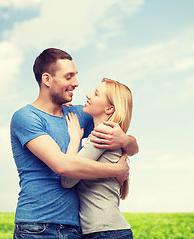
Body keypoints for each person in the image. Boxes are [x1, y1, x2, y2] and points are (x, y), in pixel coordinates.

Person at [10, 48, 138, 239]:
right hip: (37, 226)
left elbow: (122, 136)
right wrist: (116, 171)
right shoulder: (26, 117)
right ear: (47, 79)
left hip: (77, 229)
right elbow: (62, 166)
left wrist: (126, 140)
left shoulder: (78, 115)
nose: (76, 84)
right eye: (69, 77)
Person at [61, 78, 134, 239]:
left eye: (95, 94)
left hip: (104, 232)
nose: (88, 95)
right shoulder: (110, 132)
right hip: (108, 230)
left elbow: (67, 179)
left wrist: (74, 139)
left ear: (109, 108)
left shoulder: (103, 133)